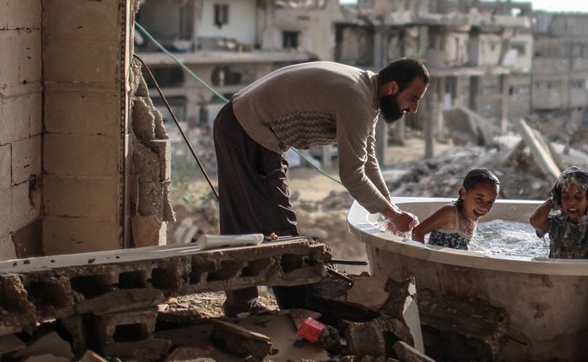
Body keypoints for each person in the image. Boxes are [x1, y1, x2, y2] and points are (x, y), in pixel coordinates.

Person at [213, 58, 429, 315]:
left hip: (240, 121)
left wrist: (391, 208)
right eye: (413, 98)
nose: (414, 109)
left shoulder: (366, 91)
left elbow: (367, 158)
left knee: (246, 219)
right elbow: (351, 174)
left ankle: (243, 304)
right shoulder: (356, 99)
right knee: (279, 228)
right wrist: (392, 214)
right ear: (392, 88)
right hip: (248, 129)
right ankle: (298, 311)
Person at [528, 166, 588, 259]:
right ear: (559, 200)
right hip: (556, 270)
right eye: (565, 197)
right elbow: (535, 222)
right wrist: (553, 200)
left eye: (578, 196)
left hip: (587, 271)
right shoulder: (556, 222)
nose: (572, 202)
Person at [412, 168, 501, 250]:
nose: (484, 207)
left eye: (490, 202)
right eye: (479, 199)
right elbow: (417, 233)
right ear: (463, 193)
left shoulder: (472, 217)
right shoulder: (450, 213)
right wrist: (423, 261)